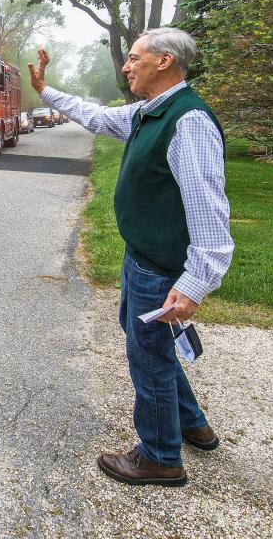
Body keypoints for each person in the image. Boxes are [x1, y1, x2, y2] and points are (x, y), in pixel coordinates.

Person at [28, 27, 234, 487]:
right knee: (148, 343)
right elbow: (97, 117)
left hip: (162, 267)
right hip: (142, 257)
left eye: (134, 58)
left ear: (164, 61)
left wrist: (196, 281)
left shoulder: (187, 121)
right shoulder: (149, 113)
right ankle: (190, 423)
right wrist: (45, 90)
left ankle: (160, 456)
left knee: (149, 357)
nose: (126, 66)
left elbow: (209, 209)